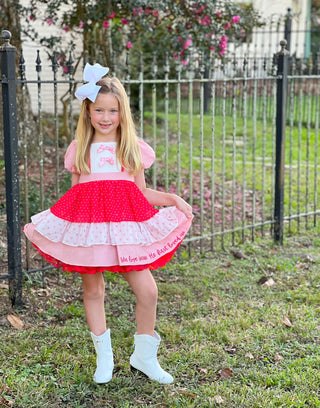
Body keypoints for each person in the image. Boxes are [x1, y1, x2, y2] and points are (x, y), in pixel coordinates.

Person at [24, 63, 193, 385]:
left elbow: (141, 192)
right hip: (90, 228)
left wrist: (172, 199)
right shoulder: (79, 150)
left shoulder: (132, 148)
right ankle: (105, 357)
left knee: (148, 291)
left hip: (125, 228)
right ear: (88, 113)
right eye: (99, 110)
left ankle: (144, 356)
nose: (105, 117)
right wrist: (67, 228)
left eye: (112, 111)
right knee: (94, 289)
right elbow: (76, 193)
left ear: (122, 113)